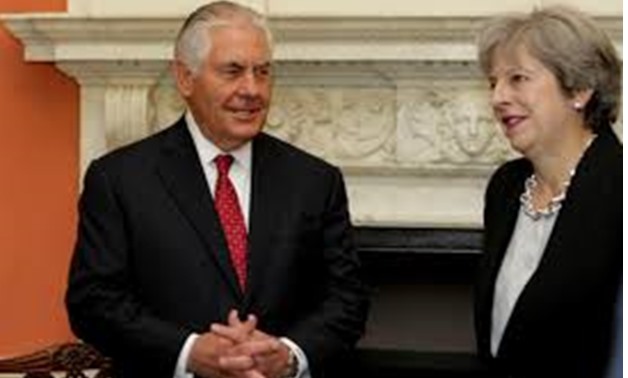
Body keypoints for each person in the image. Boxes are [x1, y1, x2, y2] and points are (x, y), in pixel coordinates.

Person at [65, 2, 369, 378]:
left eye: (263, 72)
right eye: (233, 71)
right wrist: (189, 352)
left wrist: (288, 356)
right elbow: (92, 303)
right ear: (185, 78)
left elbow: (347, 300)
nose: (252, 89)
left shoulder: (315, 181)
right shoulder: (120, 180)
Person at [473, 5, 622, 378]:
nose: (498, 98)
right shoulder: (505, 188)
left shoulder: (618, 187)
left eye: (518, 78)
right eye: (494, 83)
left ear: (580, 89)